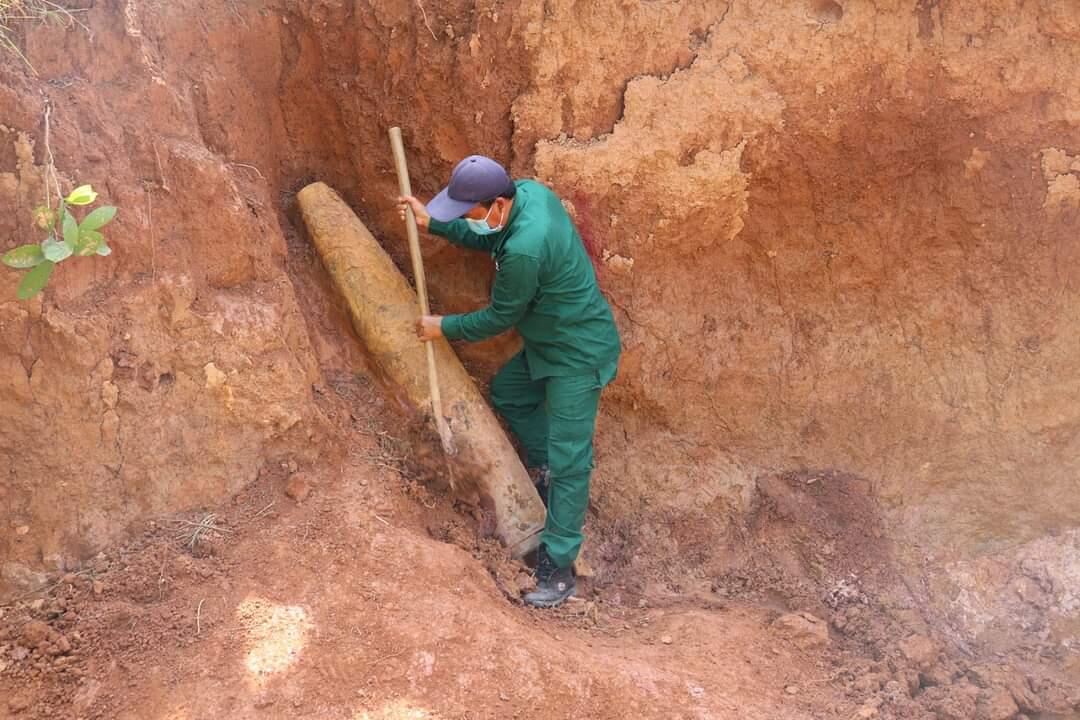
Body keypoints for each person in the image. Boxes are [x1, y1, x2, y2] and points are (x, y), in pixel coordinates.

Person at [398, 155, 621, 609]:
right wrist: (433, 224)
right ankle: (546, 470)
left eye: (469, 213)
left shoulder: (524, 249)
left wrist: (444, 327)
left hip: (577, 354)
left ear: (497, 204)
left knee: (571, 460)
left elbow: (500, 317)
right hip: (549, 341)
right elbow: (490, 234)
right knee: (510, 393)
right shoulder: (529, 194)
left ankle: (559, 568)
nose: (466, 219)